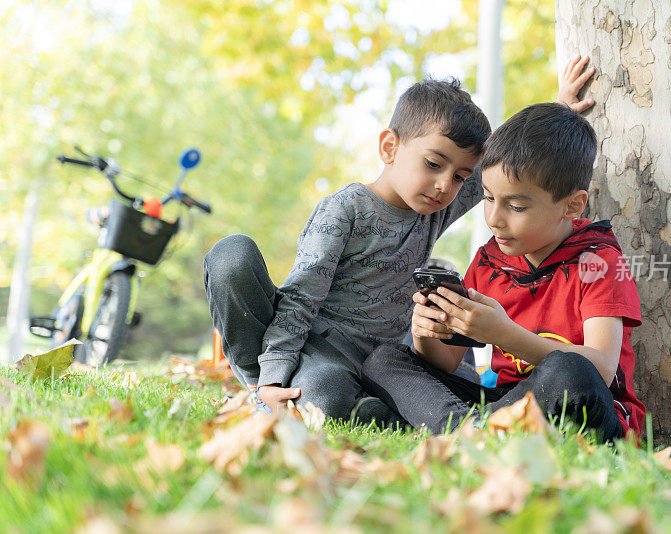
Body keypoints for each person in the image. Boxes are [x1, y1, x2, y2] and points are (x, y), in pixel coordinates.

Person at [203, 57, 596, 424]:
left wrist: (556, 112)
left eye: (459, 176)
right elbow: (301, 299)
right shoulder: (346, 210)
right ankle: (264, 390)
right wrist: (273, 378)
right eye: (433, 163)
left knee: (338, 396)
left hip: (386, 359)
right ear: (389, 147)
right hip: (323, 348)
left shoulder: (433, 206)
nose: (446, 185)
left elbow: (510, 165)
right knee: (319, 388)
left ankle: (369, 406)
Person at [361, 102, 646, 441]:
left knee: (569, 370)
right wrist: (425, 332)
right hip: (503, 402)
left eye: (516, 206)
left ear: (572, 205)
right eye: (488, 198)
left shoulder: (598, 262)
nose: (495, 218)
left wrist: (504, 334)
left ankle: (443, 426)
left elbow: (601, 367)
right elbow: (447, 362)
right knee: (385, 359)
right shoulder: (489, 262)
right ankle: (469, 430)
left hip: (579, 404)